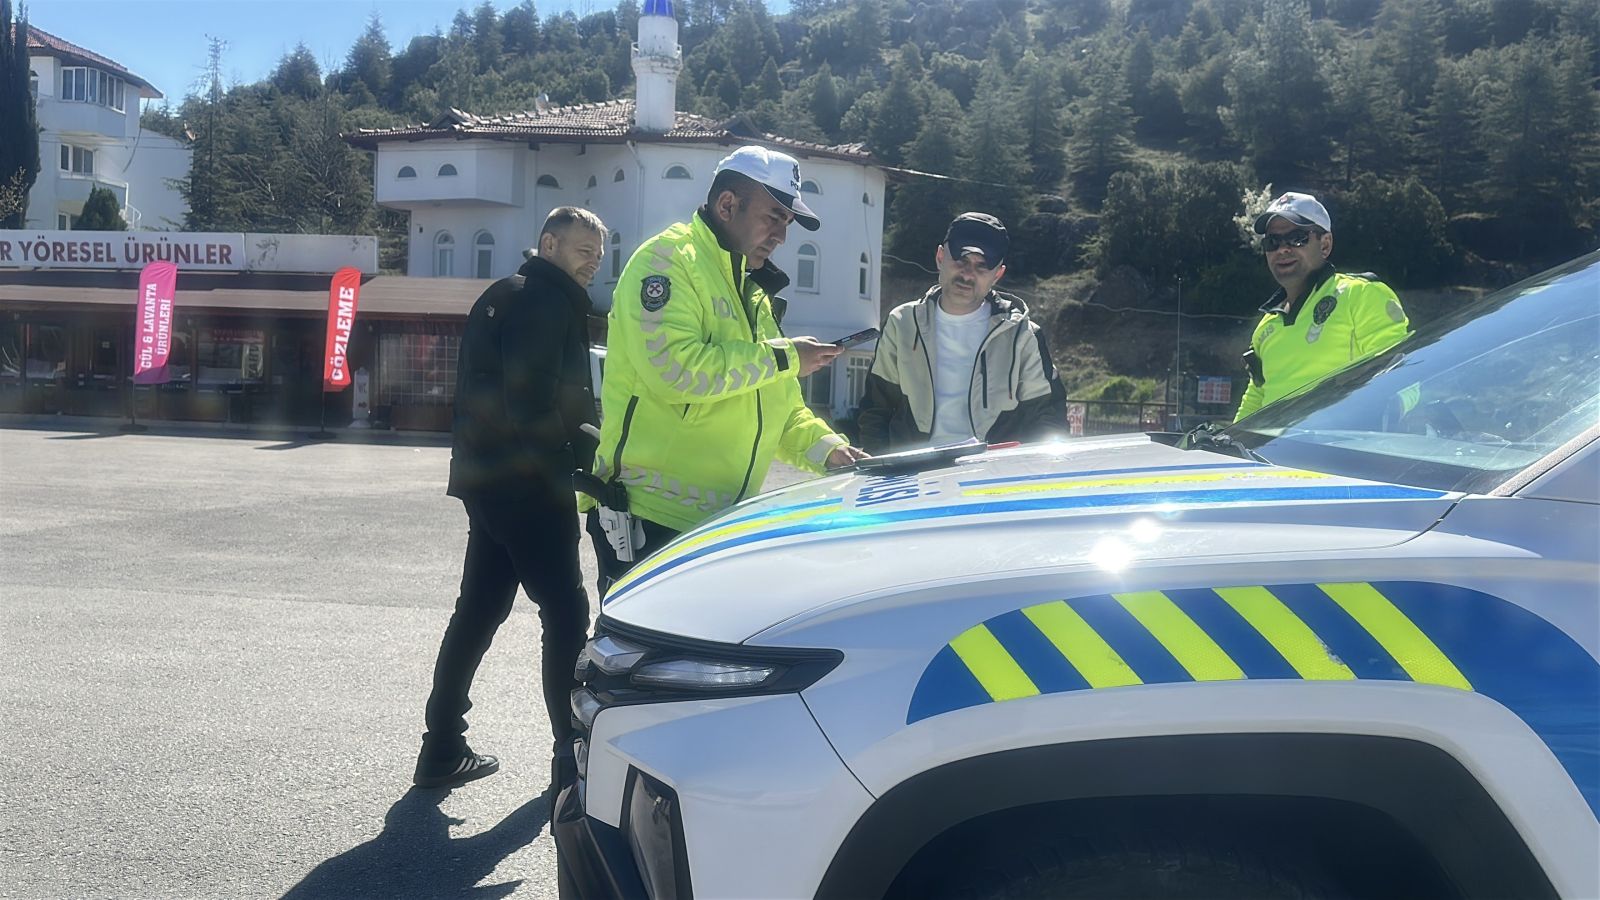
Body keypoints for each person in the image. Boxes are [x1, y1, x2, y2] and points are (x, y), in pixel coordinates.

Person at [585, 145, 866, 591]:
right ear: (727, 205)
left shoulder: (753, 292)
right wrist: (785, 356)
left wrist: (834, 452)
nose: (782, 235)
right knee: (638, 641)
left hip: (718, 525)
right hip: (648, 516)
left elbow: (781, 409)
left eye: (787, 222)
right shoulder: (666, 262)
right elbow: (677, 372)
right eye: (774, 217)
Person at [414, 207, 606, 792]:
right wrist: (582, 465)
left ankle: (441, 747)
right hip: (530, 486)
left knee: (477, 611)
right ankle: (570, 759)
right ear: (549, 244)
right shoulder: (546, 302)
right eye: (583, 252)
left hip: (486, 481)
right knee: (566, 614)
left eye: (599, 255)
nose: (593, 264)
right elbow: (532, 405)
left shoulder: (502, 294)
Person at [856, 212, 1066, 453]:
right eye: (960, 260)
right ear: (940, 257)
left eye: (982, 266)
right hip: (915, 471)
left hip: (992, 472)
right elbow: (876, 410)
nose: (967, 274)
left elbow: (1048, 417)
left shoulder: (1022, 335)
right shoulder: (902, 323)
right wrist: (881, 467)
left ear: (997, 274)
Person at [1235, 192, 1409, 422]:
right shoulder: (1266, 326)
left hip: (1342, 443)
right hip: (1276, 444)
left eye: (1297, 238)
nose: (1282, 250)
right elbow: (1256, 397)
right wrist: (1228, 438)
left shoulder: (1361, 295)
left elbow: (1406, 377)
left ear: (1325, 244)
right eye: (1272, 242)